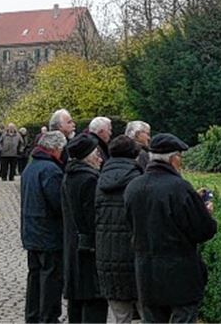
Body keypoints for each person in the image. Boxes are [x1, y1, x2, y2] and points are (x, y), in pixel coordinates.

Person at [125, 133, 217, 323]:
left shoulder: (133, 187)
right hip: (180, 274)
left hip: (146, 273)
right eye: (180, 157)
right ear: (173, 159)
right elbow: (204, 230)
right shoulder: (180, 188)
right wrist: (206, 213)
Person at [20, 131, 68, 323]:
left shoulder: (31, 167)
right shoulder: (51, 170)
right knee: (51, 277)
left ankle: (32, 316)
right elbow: (57, 202)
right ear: (55, 149)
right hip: (48, 232)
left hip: (31, 230)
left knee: (35, 276)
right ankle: (48, 317)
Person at [96, 136, 144, 323]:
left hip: (106, 253)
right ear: (134, 154)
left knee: (120, 316)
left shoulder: (100, 179)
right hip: (134, 253)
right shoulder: (138, 179)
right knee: (147, 313)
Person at [61, 134, 107, 323]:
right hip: (87, 250)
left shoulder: (69, 176)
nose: (101, 158)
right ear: (88, 156)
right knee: (92, 302)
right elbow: (91, 218)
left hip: (73, 246)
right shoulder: (90, 180)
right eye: (97, 153)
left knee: (77, 303)